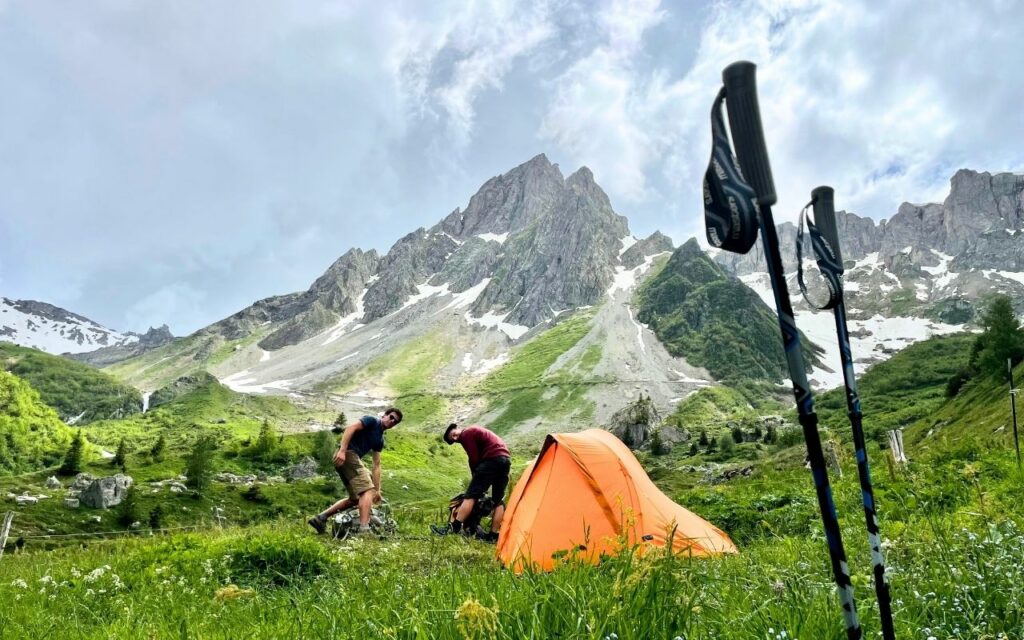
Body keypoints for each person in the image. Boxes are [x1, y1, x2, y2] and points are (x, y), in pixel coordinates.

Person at [307, 407, 403, 536]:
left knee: (356, 499)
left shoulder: (380, 440)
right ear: (384, 415)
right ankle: (364, 530)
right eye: (391, 417)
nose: (392, 421)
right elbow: (350, 428)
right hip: (348, 454)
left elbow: (376, 464)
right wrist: (342, 450)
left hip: (350, 459)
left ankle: (320, 518)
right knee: (367, 491)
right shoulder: (372, 421)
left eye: (395, 422)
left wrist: (378, 490)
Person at [431, 422, 510, 542]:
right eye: (453, 440)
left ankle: (454, 528)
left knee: (471, 495)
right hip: (505, 460)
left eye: (453, 434)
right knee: (498, 500)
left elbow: (474, 458)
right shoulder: (475, 431)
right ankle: (493, 535)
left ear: (457, 428)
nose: (455, 438)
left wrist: (475, 476)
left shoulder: (467, 433)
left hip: (491, 460)